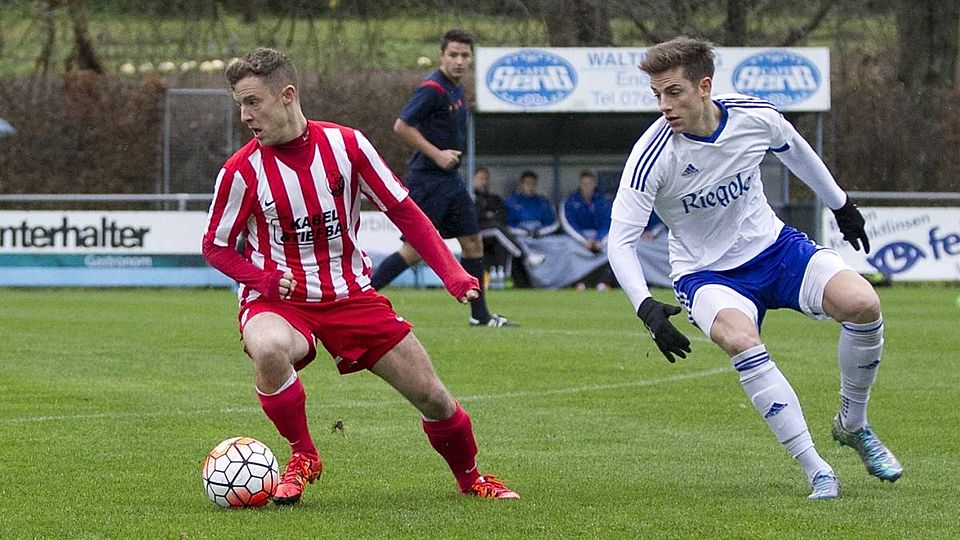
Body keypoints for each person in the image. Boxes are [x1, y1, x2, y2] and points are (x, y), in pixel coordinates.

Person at [202, 48, 519, 505]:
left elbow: (404, 212)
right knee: (268, 348)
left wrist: (452, 273)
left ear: (287, 95)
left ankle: (471, 478)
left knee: (433, 396)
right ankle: (303, 454)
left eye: (253, 102)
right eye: (240, 105)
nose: (245, 115)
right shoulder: (240, 171)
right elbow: (214, 246)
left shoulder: (346, 146)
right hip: (278, 301)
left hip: (350, 295)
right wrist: (263, 280)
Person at [607, 37, 901, 500]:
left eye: (674, 92)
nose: (664, 105)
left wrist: (841, 204)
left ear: (705, 86)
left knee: (863, 303)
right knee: (741, 340)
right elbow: (619, 242)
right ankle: (818, 470)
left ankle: (853, 424)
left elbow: (795, 148)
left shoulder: (753, 115)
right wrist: (645, 307)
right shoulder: (653, 156)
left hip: (776, 249)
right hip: (707, 274)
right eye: (657, 95)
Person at [370, 29, 516, 328]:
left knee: (473, 242)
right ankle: (360, 299)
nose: (459, 61)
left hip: (450, 179)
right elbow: (402, 126)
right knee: (414, 251)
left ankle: (480, 316)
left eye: (464, 55)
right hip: (428, 180)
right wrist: (437, 154)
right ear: (442, 56)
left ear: (471, 58)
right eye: (453, 55)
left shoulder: (456, 88)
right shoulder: (432, 89)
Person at [560, 170, 615, 290]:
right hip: (579, 239)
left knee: (611, 248)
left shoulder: (603, 201)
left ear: (594, 184)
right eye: (584, 184)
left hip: (599, 238)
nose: (587, 187)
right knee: (569, 248)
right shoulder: (570, 201)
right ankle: (580, 282)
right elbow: (569, 224)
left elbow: (609, 223)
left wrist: (600, 241)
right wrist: (584, 241)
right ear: (580, 185)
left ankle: (603, 282)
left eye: (589, 183)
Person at [505, 170, 559, 238]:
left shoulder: (543, 202)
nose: (530, 186)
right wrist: (524, 232)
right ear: (521, 184)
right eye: (527, 183)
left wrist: (539, 232)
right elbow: (507, 225)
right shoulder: (511, 202)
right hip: (519, 237)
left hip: (541, 236)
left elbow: (552, 223)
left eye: (533, 184)